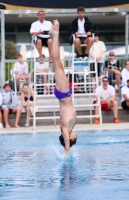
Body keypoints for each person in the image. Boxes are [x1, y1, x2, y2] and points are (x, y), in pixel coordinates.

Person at [50, 20, 77, 153]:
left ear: (70, 138)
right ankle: (54, 35)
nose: (76, 136)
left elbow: (66, 143)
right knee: (57, 63)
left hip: (64, 94)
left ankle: (55, 34)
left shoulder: (65, 130)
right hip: (64, 95)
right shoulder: (69, 128)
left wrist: (67, 150)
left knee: (57, 62)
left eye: (75, 139)